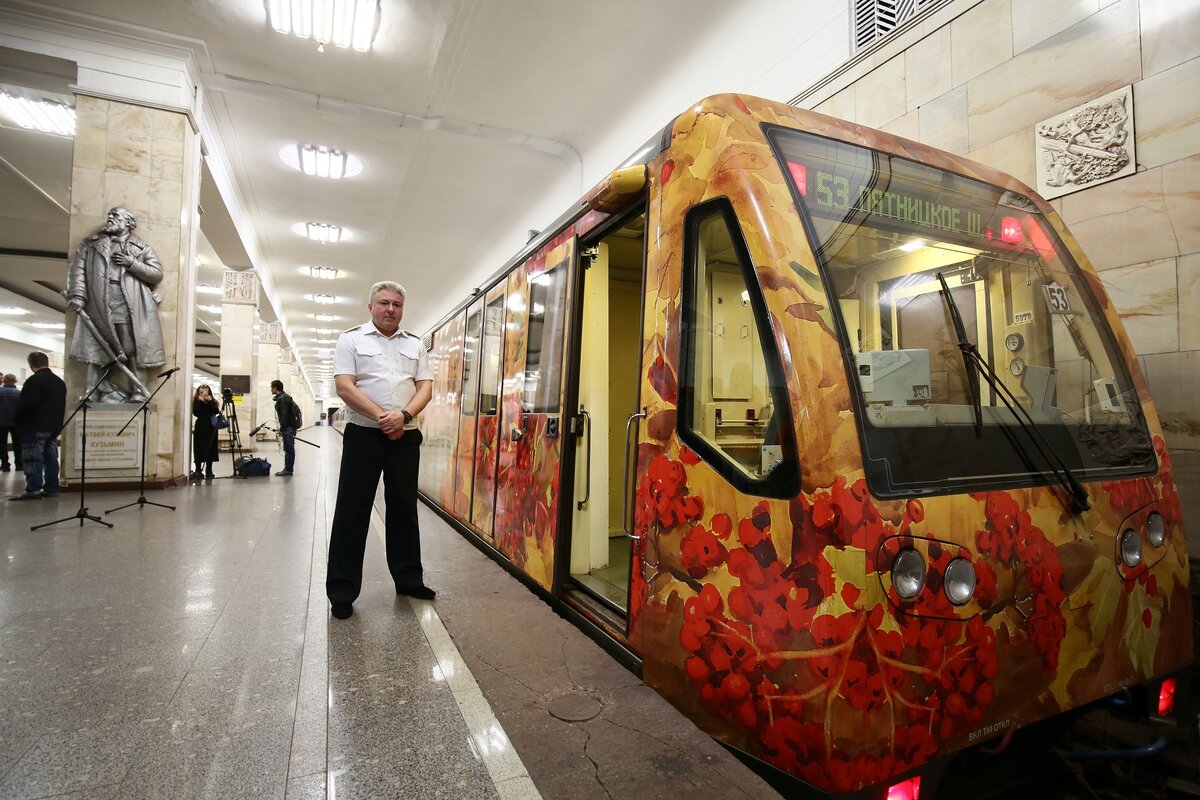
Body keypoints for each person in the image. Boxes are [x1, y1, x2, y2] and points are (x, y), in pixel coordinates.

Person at [327, 281, 433, 619]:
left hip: (406, 437)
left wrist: (402, 417)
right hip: (363, 434)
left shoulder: (415, 345)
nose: (391, 309)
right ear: (371, 306)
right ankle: (342, 591)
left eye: (397, 304)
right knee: (352, 510)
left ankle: (408, 579)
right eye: (384, 303)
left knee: (404, 508)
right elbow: (345, 386)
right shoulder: (351, 339)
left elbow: (425, 387)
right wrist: (382, 417)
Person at [66, 207, 166, 403]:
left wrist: (132, 264)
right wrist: (77, 294)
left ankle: (138, 389)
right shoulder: (91, 244)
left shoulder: (141, 248)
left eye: (116, 216)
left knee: (132, 346)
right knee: (97, 343)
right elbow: (78, 271)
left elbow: (156, 273)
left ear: (128, 223)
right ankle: (93, 389)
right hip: (99, 301)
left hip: (130, 303)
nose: (110, 218)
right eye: (109, 215)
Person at [12, 352, 66, 500]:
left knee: (33, 458)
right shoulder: (59, 382)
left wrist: (17, 421)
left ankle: (33, 489)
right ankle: (51, 487)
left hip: (35, 426)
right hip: (53, 427)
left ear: (32, 364)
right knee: (50, 458)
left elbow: (27, 405)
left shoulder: (34, 381)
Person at [270, 379, 301, 476]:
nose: (271, 389)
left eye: (271, 387)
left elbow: (284, 414)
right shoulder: (284, 397)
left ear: (275, 387)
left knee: (289, 448)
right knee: (288, 448)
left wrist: (282, 428)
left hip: (288, 427)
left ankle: (288, 469)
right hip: (289, 426)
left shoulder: (283, 398)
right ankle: (288, 468)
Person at [191, 384, 220, 480]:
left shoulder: (212, 400)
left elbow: (216, 411)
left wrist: (209, 401)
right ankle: (198, 469)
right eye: (202, 390)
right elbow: (196, 412)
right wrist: (201, 402)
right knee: (198, 447)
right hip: (200, 426)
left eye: (206, 390)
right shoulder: (196, 401)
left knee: (210, 447)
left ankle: (209, 470)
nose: (204, 392)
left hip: (211, 426)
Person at [0, 373, 20, 472]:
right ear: (15, 381)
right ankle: (19, 464)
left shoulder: (0, 392)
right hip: (16, 423)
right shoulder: (19, 393)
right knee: (17, 444)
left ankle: (5, 465)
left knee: (2, 444)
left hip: (1, 422)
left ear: (4, 381)